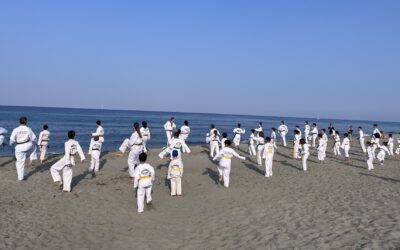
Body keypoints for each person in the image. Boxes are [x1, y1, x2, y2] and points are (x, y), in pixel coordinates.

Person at [9, 117, 38, 181]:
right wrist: (37, 143)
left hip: (19, 147)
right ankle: (32, 158)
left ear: (19, 122)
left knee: (20, 162)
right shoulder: (28, 129)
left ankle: (20, 178)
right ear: (26, 122)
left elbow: (12, 140)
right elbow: (34, 138)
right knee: (34, 146)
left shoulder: (15, 129)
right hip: (28, 145)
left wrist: (11, 144)